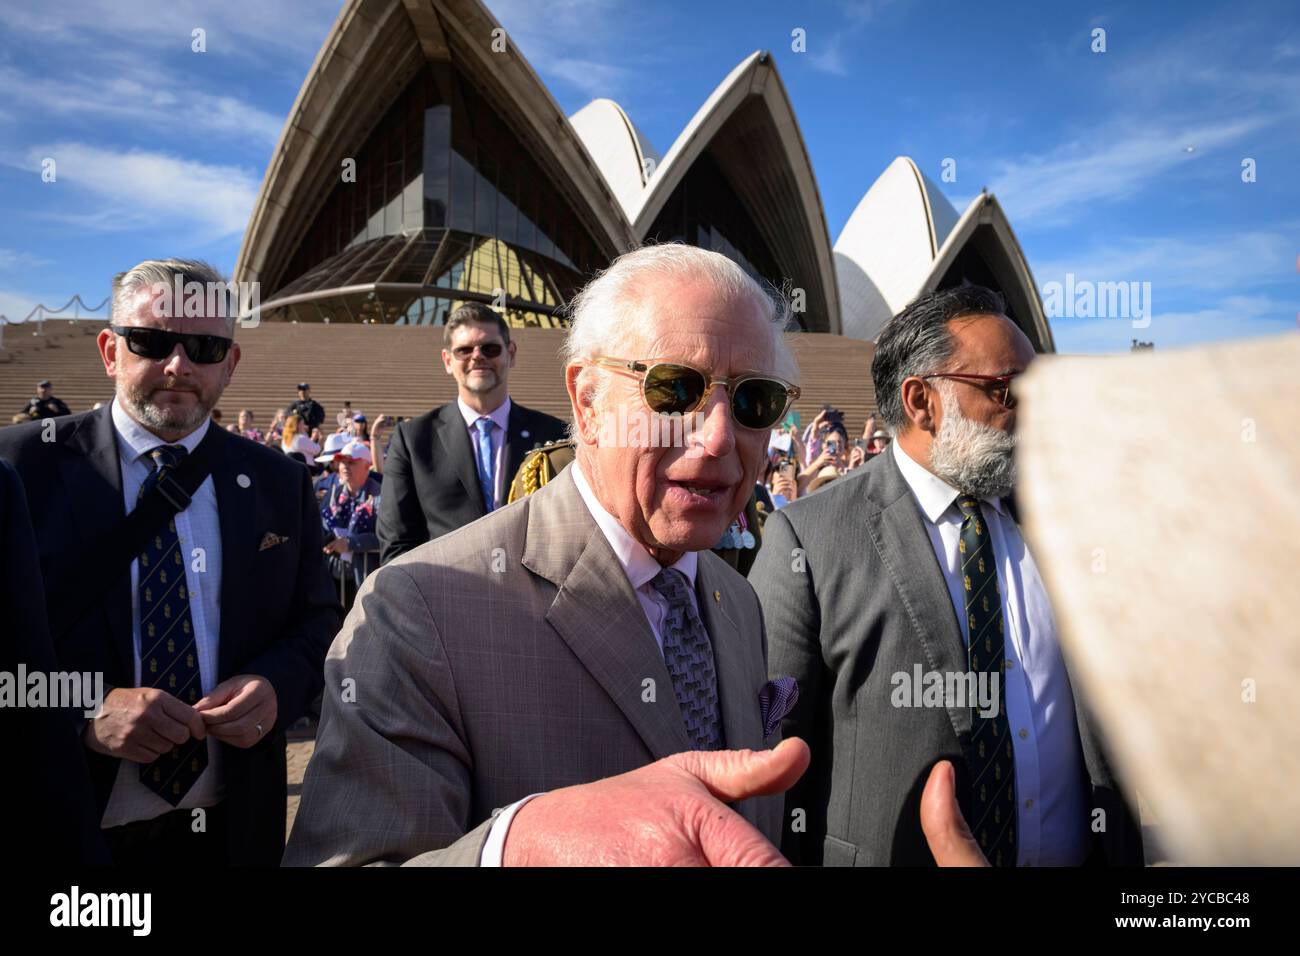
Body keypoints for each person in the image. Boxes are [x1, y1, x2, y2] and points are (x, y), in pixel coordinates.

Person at [285, 245, 988, 868]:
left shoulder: (734, 598)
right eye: (675, 388)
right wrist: (520, 846)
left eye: (753, 400)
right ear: (586, 400)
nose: (718, 438)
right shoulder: (416, 611)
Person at [749, 285, 1144, 867]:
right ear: (921, 402)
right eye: (1006, 390)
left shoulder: (1073, 527)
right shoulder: (810, 540)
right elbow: (768, 761)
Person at [0, 258, 340, 866]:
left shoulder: (277, 483)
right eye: (152, 341)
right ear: (110, 350)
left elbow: (316, 626)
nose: (179, 364)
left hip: (230, 830)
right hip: (60, 827)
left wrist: (276, 686)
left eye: (205, 346)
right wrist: (82, 709)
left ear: (230, 364)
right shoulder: (22, 471)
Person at [376, 301, 568, 563]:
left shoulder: (555, 436)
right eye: (464, 350)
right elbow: (397, 544)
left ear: (511, 353)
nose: (477, 357)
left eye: (490, 349)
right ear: (447, 360)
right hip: (445, 596)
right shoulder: (413, 440)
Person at [318, 440, 382, 599]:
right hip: (334, 575)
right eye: (342, 462)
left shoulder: (381, 496)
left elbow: (386, 537)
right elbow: (320, 525)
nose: (345, 466)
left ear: (367, 466)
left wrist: (350, 543)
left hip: (365, 580)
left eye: (351, 462)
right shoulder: (334, 494)